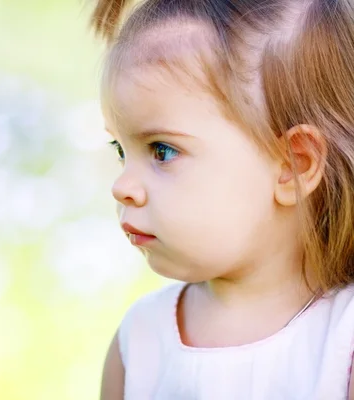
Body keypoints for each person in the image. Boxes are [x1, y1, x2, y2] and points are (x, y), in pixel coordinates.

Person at [89, 0, 354, 398]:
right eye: (121, 149)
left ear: (293, 166)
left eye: (161, 150)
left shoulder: (341, 343)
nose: (122, 185)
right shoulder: (140, 343)